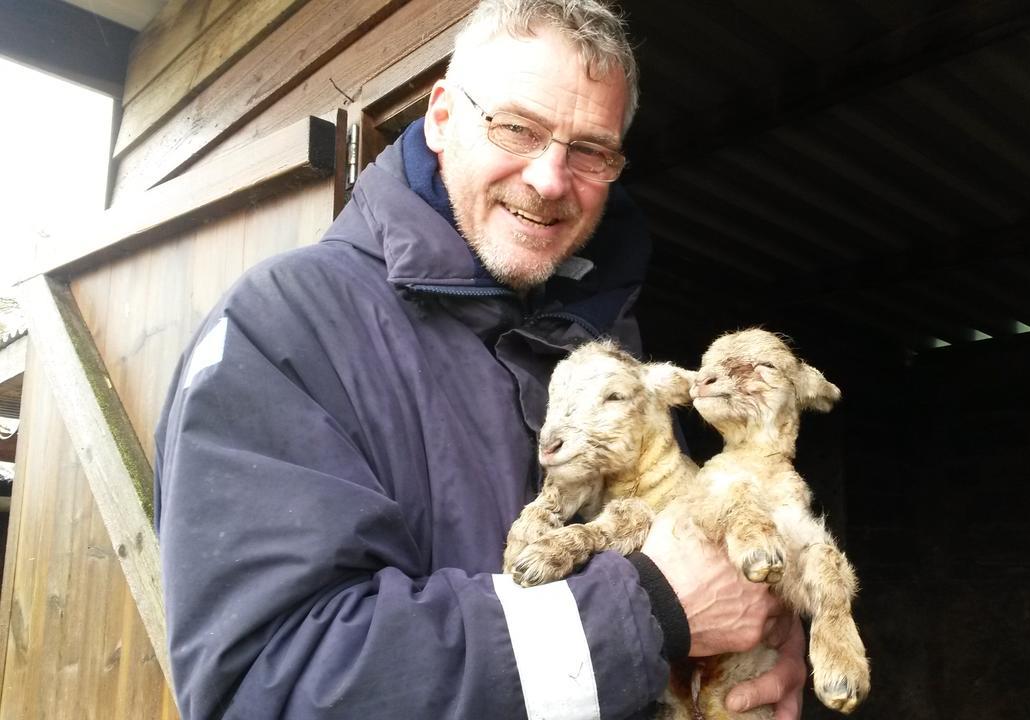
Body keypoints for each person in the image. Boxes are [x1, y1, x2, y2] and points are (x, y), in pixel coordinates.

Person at [154, 1, 806, 718]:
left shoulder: (606, 343)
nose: (551, 179)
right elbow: (265, 686)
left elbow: (697, 543)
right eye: (516, 128)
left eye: (590, 150)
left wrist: (767, 630)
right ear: (441, 117)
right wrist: (647, 611)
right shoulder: (286, 323)